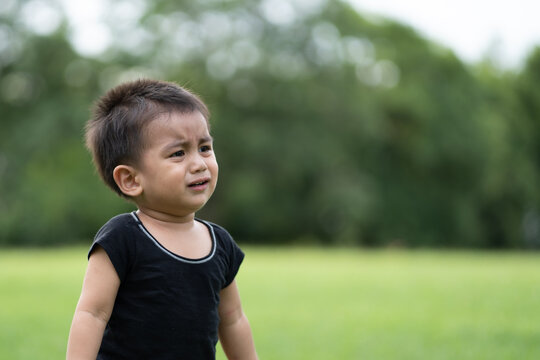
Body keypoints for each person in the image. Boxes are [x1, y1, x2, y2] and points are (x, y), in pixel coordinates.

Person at [66, 79, 258, 360]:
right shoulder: (123, 238)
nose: (199, 163)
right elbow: (92, 314)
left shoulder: (220, 243)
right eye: (178, 153)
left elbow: (232, 319)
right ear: (131, 179)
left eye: (204, 148)